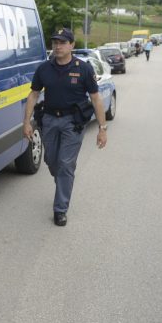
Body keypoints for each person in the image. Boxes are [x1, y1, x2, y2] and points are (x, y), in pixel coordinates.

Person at [23, 28, 108, 227]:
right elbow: (33, 94)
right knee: (52, 161)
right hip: (49, 120)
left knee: (66, 164)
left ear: (72, 45)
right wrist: (26, 122)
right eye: (55, 42)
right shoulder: (44, 69)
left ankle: (60, 209)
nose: (58, 46)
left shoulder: (84, 69)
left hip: (73, 122)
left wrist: (102, 128)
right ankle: (62, 180)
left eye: (62, 42)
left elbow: (96, 98)